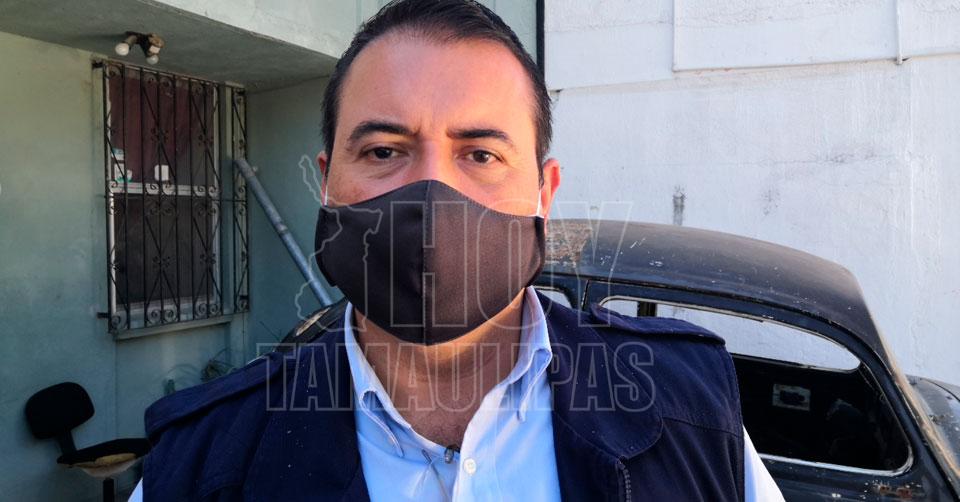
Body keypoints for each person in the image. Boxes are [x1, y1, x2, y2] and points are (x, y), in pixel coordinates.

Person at [131, 0, 784, 500]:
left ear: (544, 192)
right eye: (383, 151)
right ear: (326, 185)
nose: (431, 197)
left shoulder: (693, 415)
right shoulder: (199, 463)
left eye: (480, 154)